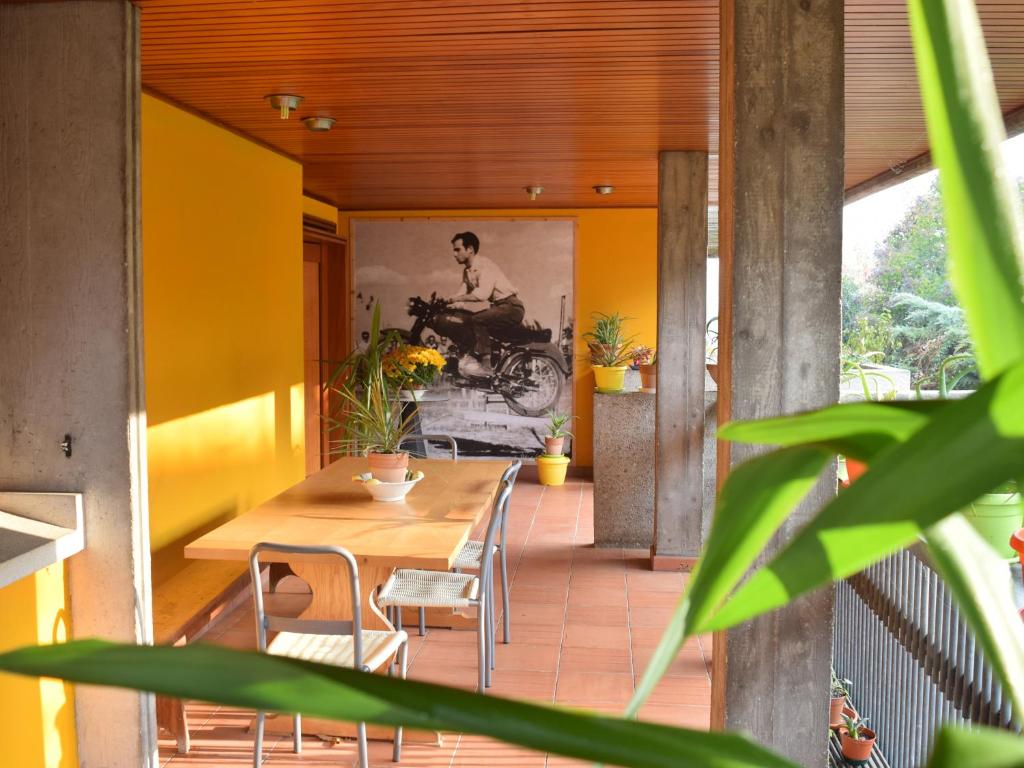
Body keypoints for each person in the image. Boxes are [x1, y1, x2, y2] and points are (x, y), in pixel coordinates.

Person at [447, 231, 524, 376]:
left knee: (477, 319)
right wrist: (447, 303)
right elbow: (460, 295)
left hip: (511, 306)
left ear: (470, 249)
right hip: (500, 307)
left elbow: (482, 294)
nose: (454, 254)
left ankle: (486, 366)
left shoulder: (485, 265)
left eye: (457, 249)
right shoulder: (467, 272)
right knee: (465, 319)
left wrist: (456, 299)